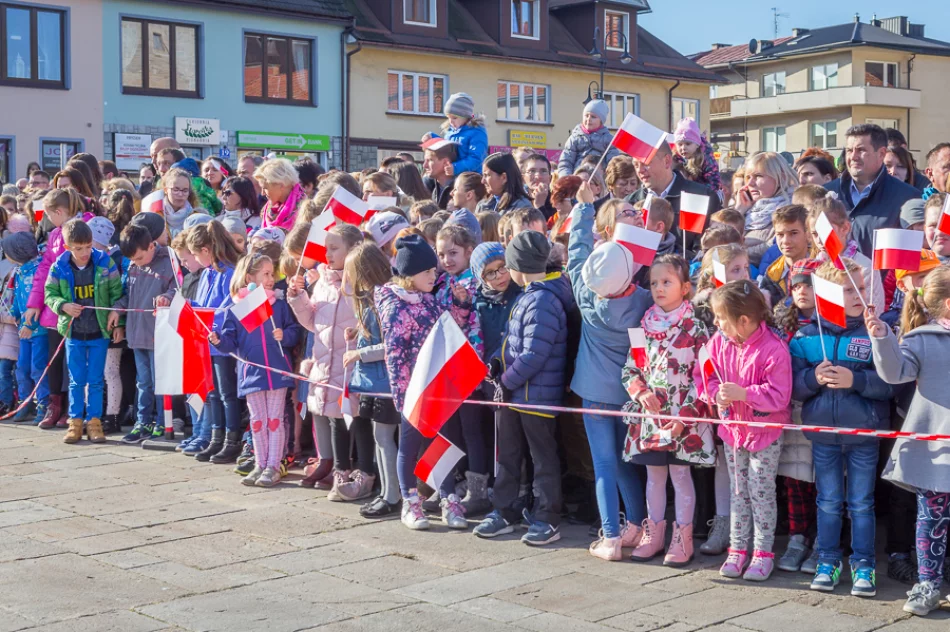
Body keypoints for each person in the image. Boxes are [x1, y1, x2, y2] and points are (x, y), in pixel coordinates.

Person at [788, 259, 891, 597]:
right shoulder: (805, 336)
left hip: (864, 434)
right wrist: (811, 378)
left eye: (861, 288)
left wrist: (856, 380)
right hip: (823, 436)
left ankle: (864, 565)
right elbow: (793, 387)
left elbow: (892, 383)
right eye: (850, 290)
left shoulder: (874, 331)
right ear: (826, 295)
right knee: (829, 501)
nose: (860, 295)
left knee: (861, 502)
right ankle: (828, 561)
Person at [568, 181, 652, 560]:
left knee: (604, 464)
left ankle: (611, 537)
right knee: (624, 461)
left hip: (592, 391)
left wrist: (584, 210)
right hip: (628, 393)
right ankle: (637, 524)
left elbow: (575, 253)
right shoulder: (645, 302)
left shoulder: (586, 294)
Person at [475, 230, 574, 545]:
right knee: (508, 456)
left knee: (542, 460)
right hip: (517, 395)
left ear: (518, 266)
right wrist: (495, 363)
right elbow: (510, 341)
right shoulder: (528, 296)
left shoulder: (542, 299)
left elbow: (534, 355)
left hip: (536, 396)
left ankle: (547, 517)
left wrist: (504, 381)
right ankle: (504, 510)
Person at [867, 266, 950, 616]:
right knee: (931, 519)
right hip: (937, 450)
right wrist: (882, 336)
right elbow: (894, 373)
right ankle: (928, 583)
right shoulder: (922, 339)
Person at [622, 254, 714, 566]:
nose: (659, 288)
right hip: (651, 419)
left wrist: (686, 415)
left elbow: (705, 378)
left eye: (667, 282)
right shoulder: (641, 327)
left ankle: (683, 536)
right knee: (654, 474)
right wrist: (641, 391)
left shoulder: (697, 329)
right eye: (654, 283)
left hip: (683, 419)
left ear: (685, 287)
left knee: (680, 474)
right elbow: (630, 369)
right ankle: (654, 532)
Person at [699, 279, 792, 582]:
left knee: (762, 493)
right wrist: (715, 395)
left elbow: (780, 396)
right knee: (738, 493)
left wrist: (744, 394)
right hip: (732, 431)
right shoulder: (717, 343)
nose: (716, 323)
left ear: (744, 320)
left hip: (764, 433)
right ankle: (737, 550)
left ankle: (763, 553)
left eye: (721, 318)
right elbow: (706, 377)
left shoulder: (774, 349)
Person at [375, 235, 471, 531]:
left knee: (441, 444)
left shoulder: (430, 301)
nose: (435, 275)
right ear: (410, 275)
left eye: (434, 271)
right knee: (410, 446)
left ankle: (448, 497)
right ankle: (410, 501)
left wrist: (460, 305)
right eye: (428, 272)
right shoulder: (395, 307)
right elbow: (395, 356)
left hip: (437, 388)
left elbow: (452, 329)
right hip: (414, 393)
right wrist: (404, 397)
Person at [289, 225, 369, 501]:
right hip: (326, 360)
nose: (328, 253)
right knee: (333, 418)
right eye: (327, 248)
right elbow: (313, 322)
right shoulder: (322, 280)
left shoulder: (361, 281)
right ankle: (339, 470)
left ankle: (363, 472)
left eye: (335, 248)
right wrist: (298, 298)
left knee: (355, 420)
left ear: (353, 249)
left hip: (350, 362)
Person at [210, 253, 300, 487]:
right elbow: (231, 343)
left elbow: (294, 331)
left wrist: (285, 335)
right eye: (266, 274)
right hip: (251, 373)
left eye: (273, 274)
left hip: (277, 371)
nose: (271, 279)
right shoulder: (237, 308)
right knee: (258, 422)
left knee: (274, 421)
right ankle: (260, 463)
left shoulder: (279, 306)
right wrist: (218, 340)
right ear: (250, 276)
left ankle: (273, 465)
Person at [44, 219, 122, 444]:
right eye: (79, 249)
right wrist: (63, 306)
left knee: (96, 380)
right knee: (76, 381)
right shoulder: (59, 266)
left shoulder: (105, 262)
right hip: (73, 332)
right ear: (68, 247)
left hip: (99, 332)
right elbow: (49, 293)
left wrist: (118, 323)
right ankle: (75, 422)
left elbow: (117, 292)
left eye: (88, 246)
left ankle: (94, 422)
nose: (85, 252)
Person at [24, 188, 89, 430]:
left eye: (49, 215)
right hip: (55, 308)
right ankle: (55, 404)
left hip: (79, 307)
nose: (47, 220)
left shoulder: (85, 227)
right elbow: (44, 272)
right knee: (54, 357)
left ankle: (74, 407)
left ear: (59, 212)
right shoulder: (53, 236)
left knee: (74, 361)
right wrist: (34, 303)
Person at [342, 243, 400, 514]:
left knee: (386, 439)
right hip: (373, 384)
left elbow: (391, 346)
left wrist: (359, 354)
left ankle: (392, 495)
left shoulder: (382, 300)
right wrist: (358, 332)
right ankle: (387, 492)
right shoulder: (369, 302)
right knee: (381, 439)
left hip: (385, 384)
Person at [111, 223, 177, 442]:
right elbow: (127, 294)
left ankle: (161, 421)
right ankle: (143, 421)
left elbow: (179, 290)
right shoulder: (132, 265)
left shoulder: (169, 262)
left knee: (160, 381)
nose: (136, 263)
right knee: (143, 381)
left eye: (139, 258)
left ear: (151, 246)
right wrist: (117, 310)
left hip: (158, 335)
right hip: (137, 333)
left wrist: (167, 297)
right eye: (133, 259)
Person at [187, 222, 245, 461]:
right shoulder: (207, 273)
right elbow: (202, 305)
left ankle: (232, 439)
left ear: (206, 250)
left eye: (194, 253)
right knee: (212, 394)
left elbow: (227, 306)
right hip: (206, 342)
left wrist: (204, 316)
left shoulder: (229, 272)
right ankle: (216, 437)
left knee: (227, 394)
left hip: (223, 342)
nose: (193, 258)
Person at [825, 125, 919, 256]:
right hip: (831, 275)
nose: (853, 157)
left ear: (881, 154)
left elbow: (911, 256)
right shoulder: (825, 194)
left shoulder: (907, 197)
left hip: (883, 275)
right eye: (849, 150)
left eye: (861, 150)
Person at [627, 143, 721, 258]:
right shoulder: (629, 204)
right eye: (636, 165)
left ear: (667, 161)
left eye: (645, 163)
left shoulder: (701, 196)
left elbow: (711, 248)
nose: (640, 170)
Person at [807, 196, 884, 308]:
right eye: (815, 234)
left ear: (845, 228)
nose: (819, 240)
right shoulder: (812, 266)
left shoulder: (864, 267)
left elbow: (873, 310)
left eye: (826, 232)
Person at [5, 232, 48, 423]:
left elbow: (37, 303)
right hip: (24, 329)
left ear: (17, 252)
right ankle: (25, 402)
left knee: (37, 367)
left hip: (38, 331)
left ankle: (44, 403)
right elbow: (19, 298)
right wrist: (14, 311)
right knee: (21, 367)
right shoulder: (20, 271)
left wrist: (30, 325)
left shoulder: (36, 272)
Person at [735, 152, 799, 268]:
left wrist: (733, 255)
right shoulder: (747, 210)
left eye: (758, 176)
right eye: (748, 177)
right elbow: (720, 239)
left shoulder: (791, 211)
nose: (750, 183)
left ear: (781, 177)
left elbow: (771, 248)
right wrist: (739, 210)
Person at [421, 92, 488, 176]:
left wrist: (455, 167)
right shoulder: (451, 131)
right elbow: (447, 147)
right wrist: (432, 137)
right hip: (454, 173)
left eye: (454, 118)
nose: (451, 121)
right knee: (427, 180)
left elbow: (476, 159)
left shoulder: (477, 132)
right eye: (448, 117)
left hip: (471, 177)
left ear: (466, 116)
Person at [758, 205, 811, 307]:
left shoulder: (823, 267)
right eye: (780, 235)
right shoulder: (772, 275)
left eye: (793, 233)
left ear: (807, 235)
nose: (786, 241)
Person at [557, 100, 620, 177]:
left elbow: (613, 164)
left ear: (601, 121)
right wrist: (566, 178)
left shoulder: (608, 139)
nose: (588, 119)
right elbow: (566, 162)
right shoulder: (575, 138)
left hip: (599, 181)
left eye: (593, 117)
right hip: (578, 179)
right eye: (586, 115)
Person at [673, 118, 722, 198]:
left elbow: (715, 182)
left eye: (688, 144)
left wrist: (695, 188)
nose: (683, 148)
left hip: (708, 194)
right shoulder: (676, 158)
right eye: (680, 144)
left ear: (697, 144)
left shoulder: (706, 158)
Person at [256, 159, 305, 230]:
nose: (262, 193)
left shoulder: (304, 211)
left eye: (265, 188)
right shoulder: (267, 210)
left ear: (281, 185)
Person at [160, 167, 200, 238]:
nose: (180, 194)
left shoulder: (195, 216)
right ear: (166, 190)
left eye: (185, 190)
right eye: (176, 190)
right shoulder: (157, 213)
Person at [422, 141, 457, 210]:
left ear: (445, 162)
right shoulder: (429, 186)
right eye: (425, 160)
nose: (424, 165)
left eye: (429, 160)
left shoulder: (460, 191)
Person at [522, 154, 556, 220]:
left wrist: (540, 206)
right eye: (532, 171)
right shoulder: (516, 201)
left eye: (543, 171)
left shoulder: (557, 202)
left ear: (550, 178)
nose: (538, 176)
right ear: (523, 178)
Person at [923, 194, 950, 262]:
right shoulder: (915, 265)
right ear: (925, 229)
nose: (939, 232)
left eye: (947, 224)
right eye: (933, 225)